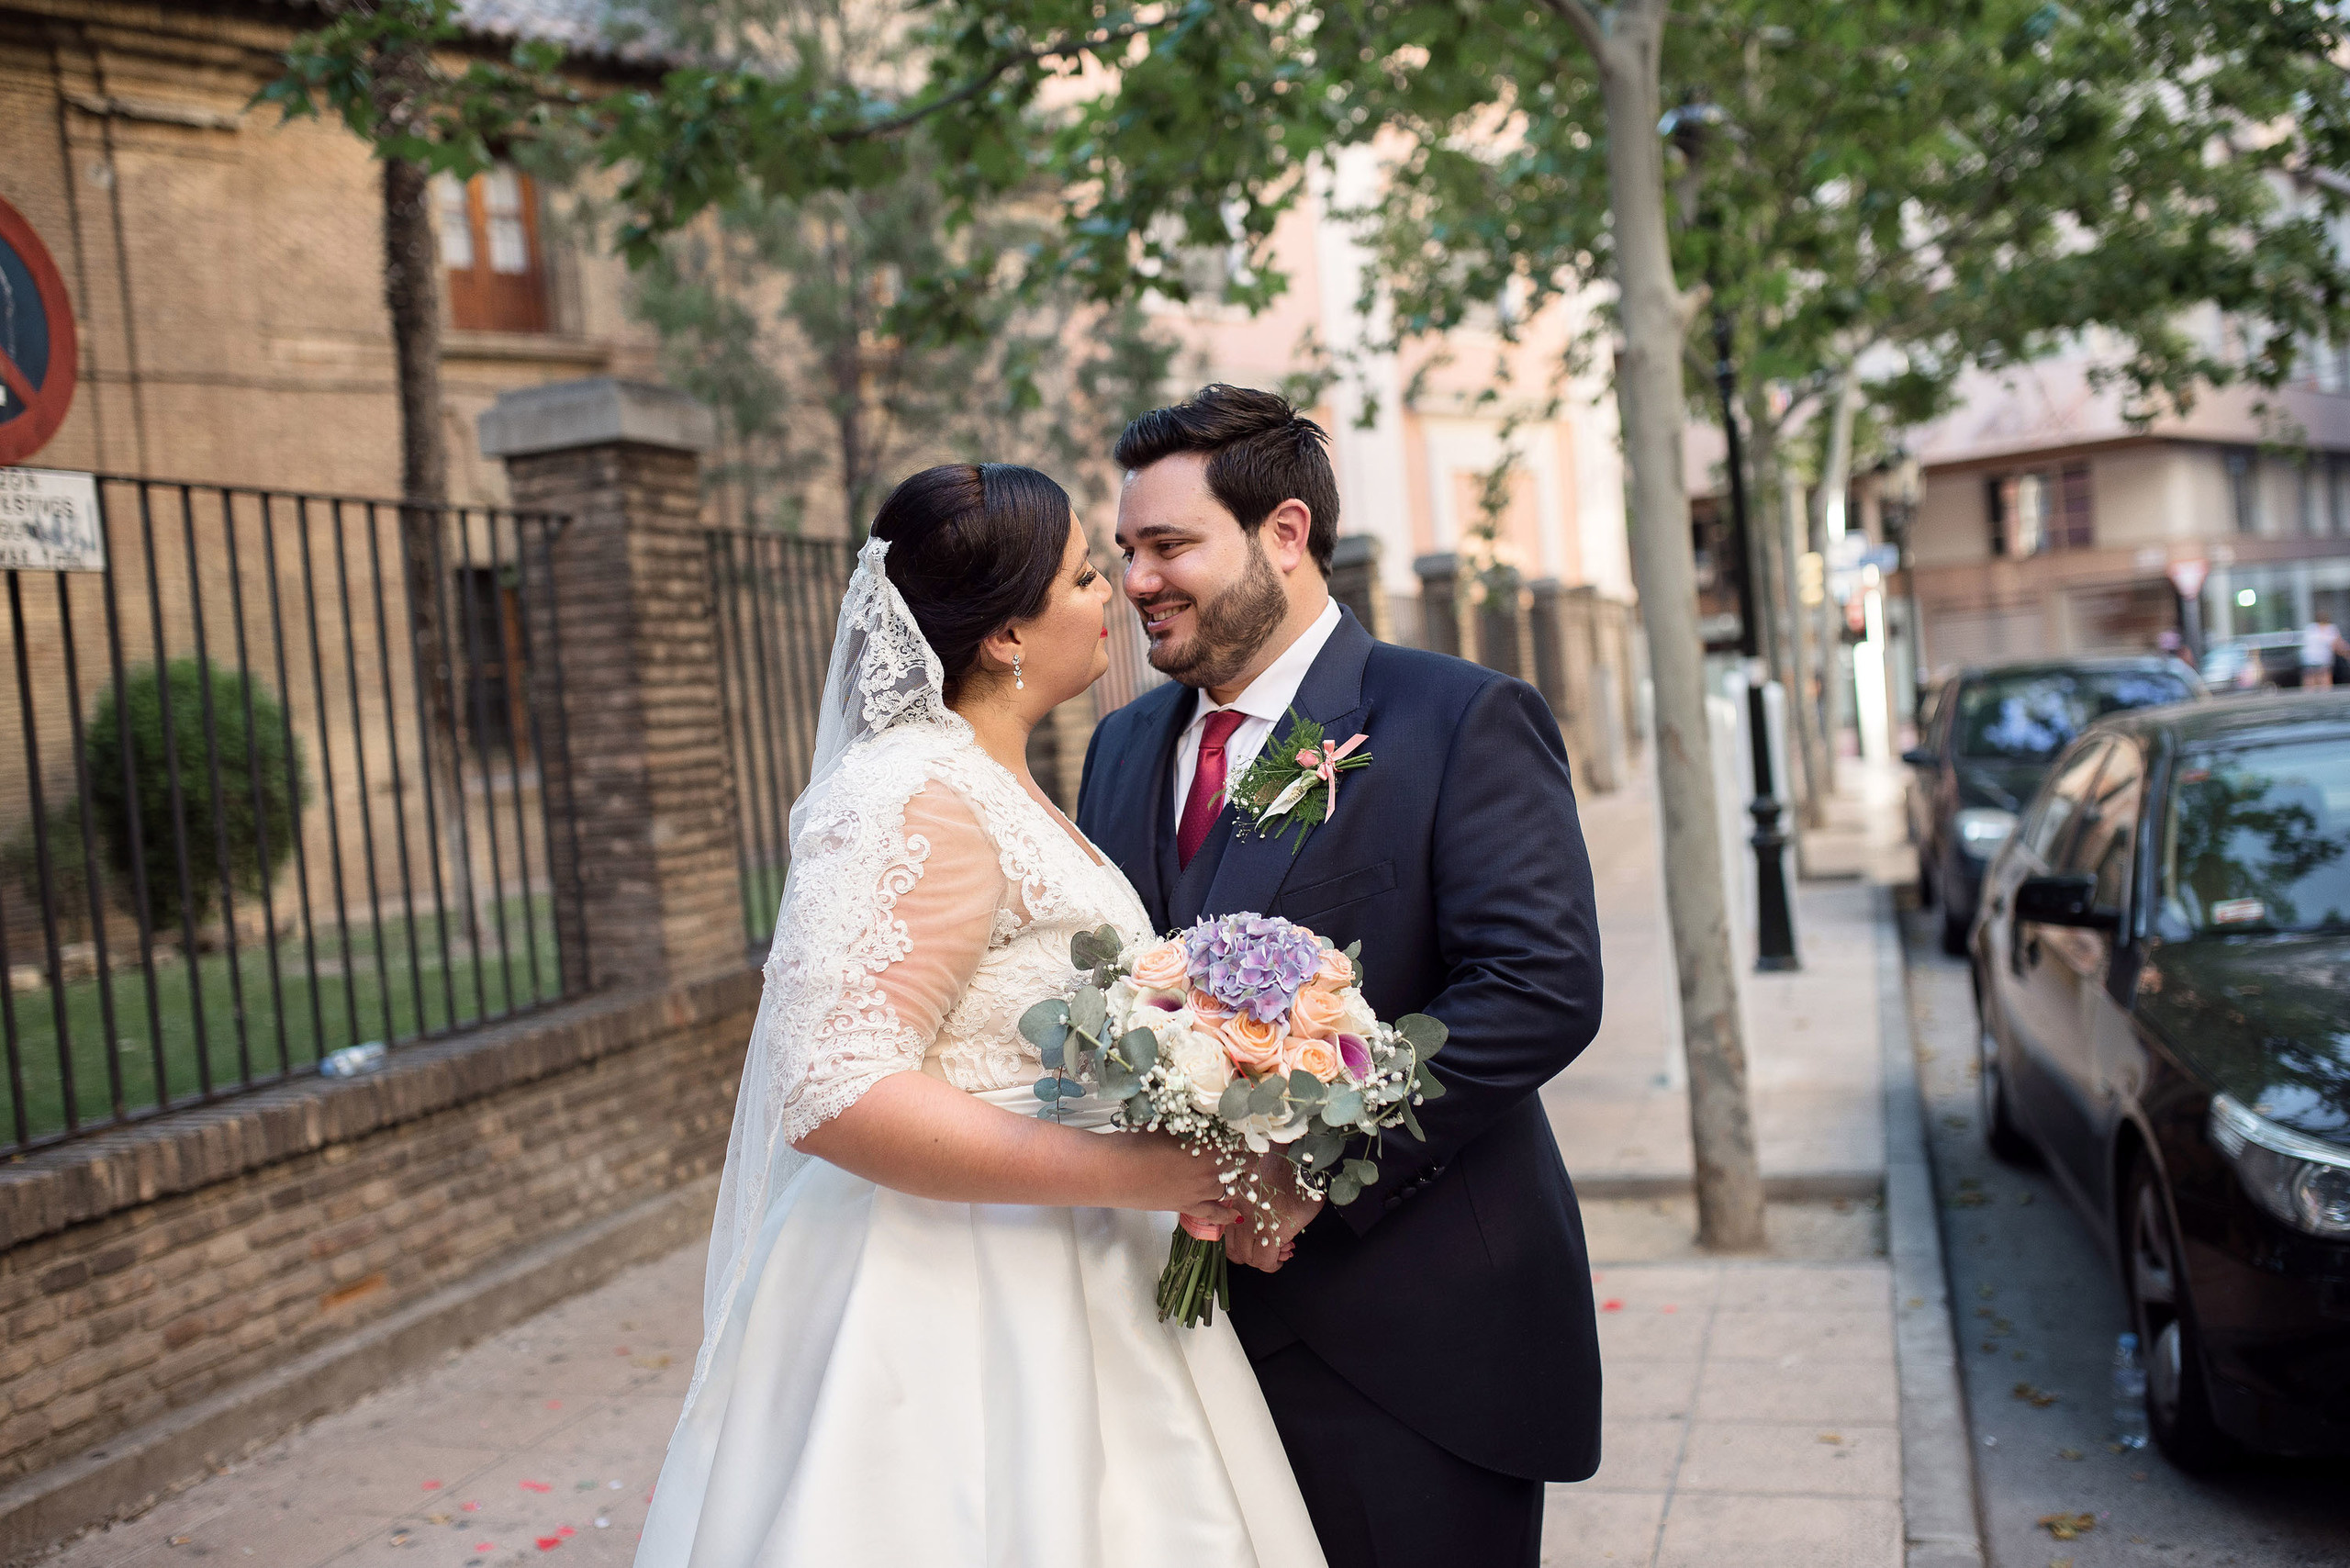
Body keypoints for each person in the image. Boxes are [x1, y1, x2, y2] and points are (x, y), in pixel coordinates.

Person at [635, 464, 1326, 1567]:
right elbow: (833, 1088)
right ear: (1006, 634)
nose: (1114, 594)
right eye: (1084, 577)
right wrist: (1137, 1173)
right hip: (944, 1292)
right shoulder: (910, 794)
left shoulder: (998, 782)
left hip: (1079, 1268)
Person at [1077, 386, 1605, 1568]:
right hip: (1183, 1349)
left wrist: (1305, 1166)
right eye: (1125, 551)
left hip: (1406, 1345)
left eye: (1168, 546)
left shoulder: (1455, 718)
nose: (1136, 581)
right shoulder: (1119, 747)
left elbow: (1539, 984)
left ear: (1284, 533)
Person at [2300, 615, 2348, 689]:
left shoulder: (2310, 628)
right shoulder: (2331, 629)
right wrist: (2346, 654)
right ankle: (2325, 694)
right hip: (2323, 658)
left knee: (2310, 679)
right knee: (2325, 679)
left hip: (2308, 658)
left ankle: (2310, 694)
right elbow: (2338, 645)